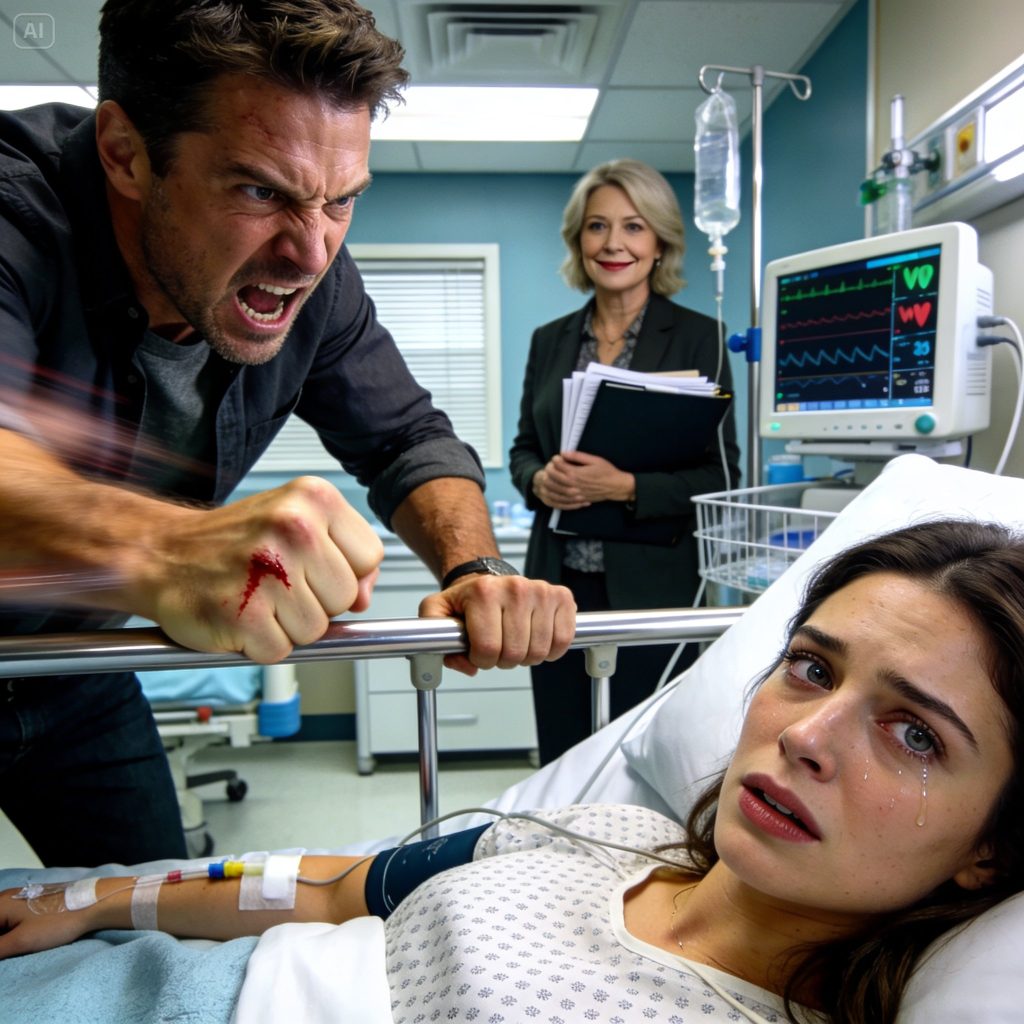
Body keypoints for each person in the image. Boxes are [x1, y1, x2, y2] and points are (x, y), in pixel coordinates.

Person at [3, 517, 1023, 1024]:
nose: (809, 735)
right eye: (812, 668)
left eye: (915, 735)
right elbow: (328, 888)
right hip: (132, 969)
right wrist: (97, 900)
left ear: (990, 848)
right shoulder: (608, 833)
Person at [0, 0, 575, 869]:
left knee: (150, 909)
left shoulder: (317, 285)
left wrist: (476, 568)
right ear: (125, 153)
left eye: (342, 201)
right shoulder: (15, 213)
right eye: (260, 191)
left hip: (76, 663)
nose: (311, 253)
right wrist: (168, 546)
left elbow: (407, 437)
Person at [509, 158, 741, 764]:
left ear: (660, 242)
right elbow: (523, 450)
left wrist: (626, 486)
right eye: (598, 226)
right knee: (564, 755)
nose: (614, 243)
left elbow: (721, 477)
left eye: (634, 227)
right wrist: (540, 479)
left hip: (654, 590)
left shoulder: (701, 338)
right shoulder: (549, 340)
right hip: (556, 589)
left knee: (646, 759)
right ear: (578, 241)